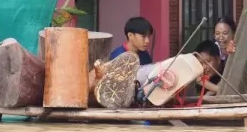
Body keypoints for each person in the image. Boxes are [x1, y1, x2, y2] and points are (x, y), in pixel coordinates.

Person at [93, 39, 222, 108]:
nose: (205, 66)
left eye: (208, 61)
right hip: (138, 82)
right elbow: (198, 79)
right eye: (202, 62)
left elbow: (199, 80)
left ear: (217, 58)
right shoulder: (186, 67)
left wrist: (215, 91)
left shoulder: (193, 67)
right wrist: (218, 89)